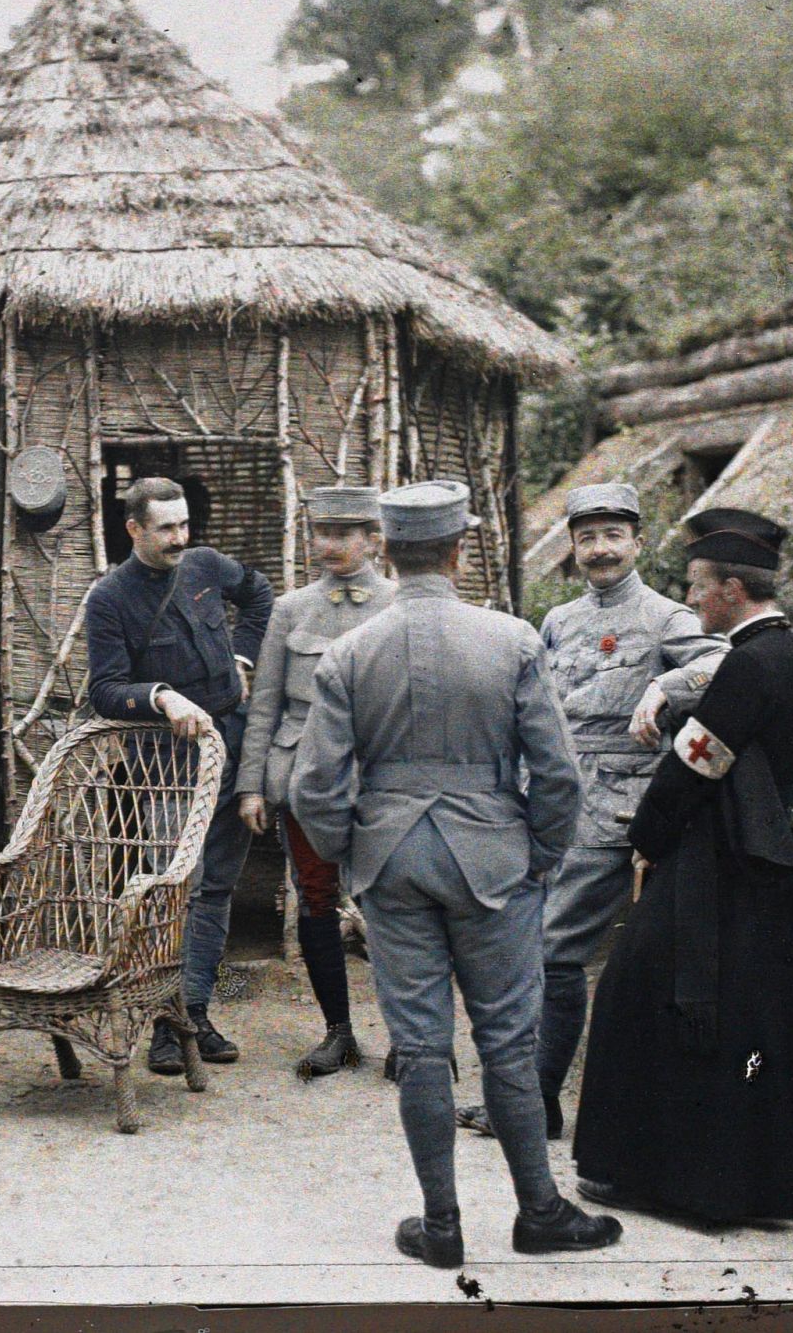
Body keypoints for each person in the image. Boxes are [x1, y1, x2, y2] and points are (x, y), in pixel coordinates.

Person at [290, 480, 621, 1269]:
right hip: (495, 861)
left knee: (422, 1046)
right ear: (457, 550)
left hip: (392, 861)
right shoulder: (510, 640)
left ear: (389, 552)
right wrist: (538, 854)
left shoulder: (348, 651)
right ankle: (538, 1211)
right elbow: (560, 776)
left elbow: (314, 786)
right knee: (508, 1044)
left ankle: (441, 1226)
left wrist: (352, 856)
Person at [571, 508, 793, 1226]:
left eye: (697, 586)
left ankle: (645, 1176)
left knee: (637, 994)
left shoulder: (749, 665)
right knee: (739, 1024)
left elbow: (694, 767)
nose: (690, 599)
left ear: (730, 587)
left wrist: (648, 834)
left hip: (715, 866)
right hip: (754, 864)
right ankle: (735, 1179)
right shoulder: (792, 658)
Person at [458, 482, 725, 1140]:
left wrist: (664, 683)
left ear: (638, 542)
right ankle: (534, 1098)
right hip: (550, 803)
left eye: (613, 535)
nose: (600, 549)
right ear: (572, 548)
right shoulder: (559, 622)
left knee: (556, 948)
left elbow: (724, 664)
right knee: (534, 949)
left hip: (618, 806)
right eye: (587, 537)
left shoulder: (667, 618)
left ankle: (535, 1101)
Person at [84, 476, 273, 1076]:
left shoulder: (206, 566)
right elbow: (105, 690)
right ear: (134, 529)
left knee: (217, 890)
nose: (180, 538)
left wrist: (242, 656)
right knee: (172, 893)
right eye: (165, 528)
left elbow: (261, 594)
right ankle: (164, 1027)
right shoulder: (110, 598)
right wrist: (162, 697)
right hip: (166, 767)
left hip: (232, 749)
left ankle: (194, 1012)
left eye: (184, 524)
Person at [237, 486, 389, 1078]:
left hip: (379, 778)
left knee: (393, 906)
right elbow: (266, 704)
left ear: (374, 540)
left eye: (344, 534)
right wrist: (252, 784)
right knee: (317, 900)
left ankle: (412, 1038)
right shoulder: (290, 610)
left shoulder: (400, 605)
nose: (328, 545)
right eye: (320, 533)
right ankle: (339, 1033)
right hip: (305, 777)